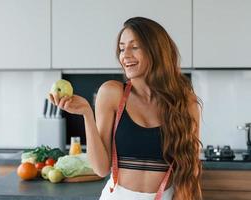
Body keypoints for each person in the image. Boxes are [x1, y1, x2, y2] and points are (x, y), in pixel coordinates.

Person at [49, 16, 202, 200]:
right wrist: (87, 115)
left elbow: (189, 172)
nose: (125, 55)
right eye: (122, 48)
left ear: (156, 51)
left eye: (134, 47)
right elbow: (100, 169)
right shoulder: (113, 93)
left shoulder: (185, 103)